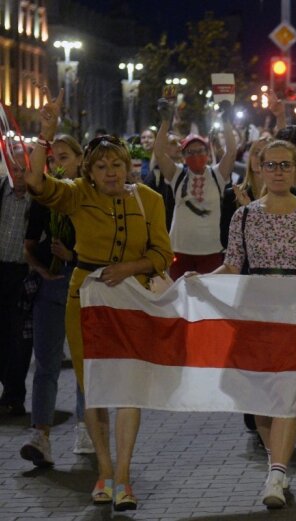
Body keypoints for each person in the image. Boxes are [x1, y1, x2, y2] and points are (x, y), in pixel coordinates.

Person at [26, 90, 173, 510]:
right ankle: (104, 473)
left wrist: (130, 267)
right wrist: (46, 135)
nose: (110, 172)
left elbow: (163, 254)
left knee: (127, 389)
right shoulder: (76, 194)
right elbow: (36, 183)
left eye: (117, 165)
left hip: (133, 298)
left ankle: (124, 477)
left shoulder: (151, 200)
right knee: (95, 390)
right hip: (85, 296)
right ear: (89, 172)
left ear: (129, 166)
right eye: (102, 167)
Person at [212, 139, 296, 508]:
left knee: (288, 395)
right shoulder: (244, 216)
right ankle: (275, 467)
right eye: (272, 165)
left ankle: (278, 472)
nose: (279, 171)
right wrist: (199, 280)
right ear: (260, 169)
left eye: (286, 165)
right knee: (260, 400)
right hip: (255, 315)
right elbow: (233, 264)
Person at [20, 135, 94, 468]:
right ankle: (41, 435)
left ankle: (86, 427)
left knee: (83, 363)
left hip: (82, 286)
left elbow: (102, 248)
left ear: (80, 160)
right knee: (46, 364)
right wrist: (41, 268)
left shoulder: (87, 198)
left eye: (65, 157)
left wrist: (74, 255)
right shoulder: (44, 200)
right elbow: (29, 244)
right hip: (51, 290)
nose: (58, 164)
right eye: (53, 159)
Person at [153, 98, 236, 280]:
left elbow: (231, 152)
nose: (196, 155)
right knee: (180, 299)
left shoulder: (217, 175)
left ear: (208, 154)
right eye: (190, 152)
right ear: (183, 156)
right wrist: (165, 121)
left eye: (201, 151)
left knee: (208, 301)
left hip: (211, 251)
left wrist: (227, 121)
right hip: (179, 249)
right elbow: (159, 152)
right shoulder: (177, 175)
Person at [0, 145, 32, 418]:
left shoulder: (39, 199)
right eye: (15, 168)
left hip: (23, 275)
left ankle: (14, 396)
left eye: (24, 169)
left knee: (17, 337)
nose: (19, 173)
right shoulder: (2, 191)